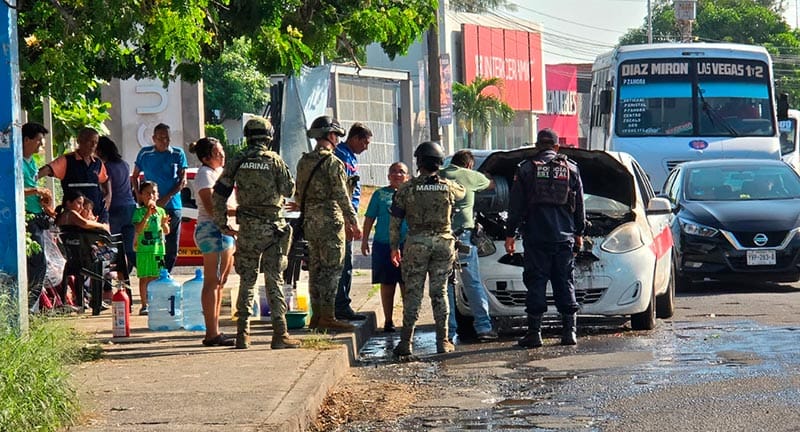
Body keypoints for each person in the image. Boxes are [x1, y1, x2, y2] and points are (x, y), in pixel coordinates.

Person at [213, 117, 301, 349]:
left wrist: (222, 223)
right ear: (269, 137)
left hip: (248, 228)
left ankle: (243, 334)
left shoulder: (237, 160)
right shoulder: (274, 160)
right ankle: (280, 333)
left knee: (247, 280)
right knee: (274, 279)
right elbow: (289, 189)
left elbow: (219, 193)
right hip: (273, 227)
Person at [504, 128, 586, 348]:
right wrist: (579, 233)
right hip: (564, 238)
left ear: (537, 146)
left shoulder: (526, 169)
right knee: (565, 281)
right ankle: (569, 333)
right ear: (557, 147)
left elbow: (516, 206)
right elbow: (579, 206)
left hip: (536, 237)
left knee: (536, 282)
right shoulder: (571, 169)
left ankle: (535, 333)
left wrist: (510, 234)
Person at [389, 141, 465, 357]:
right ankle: (443, 341)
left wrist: (394, 247)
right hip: (443, 243)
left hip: (416, 244)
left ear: (419, 162)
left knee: (413, 293)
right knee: (439, 292)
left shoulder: (406, 188)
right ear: (440, 162)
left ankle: (406, 342)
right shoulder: (449, 187)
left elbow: (395, 222)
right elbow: (463, 192)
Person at [296, 115, 362, 332]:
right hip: (330, 221)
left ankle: (316, 317)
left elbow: (298, 195)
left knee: (315, 269)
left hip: (310, 221)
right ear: (331, 136)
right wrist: (353, 221)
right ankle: (328, 316)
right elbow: (342, 195)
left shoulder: (304, 161)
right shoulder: (333, 162)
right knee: (333, 269)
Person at [439, 149, 498, 342]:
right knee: (472, 282)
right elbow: (492, 185)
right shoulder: (471, 176)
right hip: (462, 237)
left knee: (445, 284)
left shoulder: (440, 174)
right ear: (469, 164)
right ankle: (483, 328)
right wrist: (487, 176)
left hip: (440, 235)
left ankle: (448, 332)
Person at [190, 137, 237, 346]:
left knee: (221, 281)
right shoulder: (204, 175)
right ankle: (211, 332)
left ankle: (215, 330)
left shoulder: (217, 173)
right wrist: (242, 211)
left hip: (224, 230)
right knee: (212, 281)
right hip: (212, 230)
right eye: (218, 153)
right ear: (206, 157)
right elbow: (212, 208)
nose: (223, 155)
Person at [131, 123, 188, 272]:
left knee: (171, 247)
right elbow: (135, 176)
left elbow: (183, 181)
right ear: (153, 138)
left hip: (173, 206)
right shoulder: (145, 153)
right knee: (151, 242)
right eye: (160, 138)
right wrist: (138, 194)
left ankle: (166, 275)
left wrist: (166, 197)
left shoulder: (177, 153)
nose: (164, 141)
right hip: (150, 207)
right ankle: (150, 273)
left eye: (167, 138)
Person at [361, 162, 409, 332]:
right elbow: (369, 218)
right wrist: (365, 240)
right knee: (387, 284)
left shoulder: (412, 194)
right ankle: (388, 320)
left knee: (407, 284)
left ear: (407, 176)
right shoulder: (380, 195)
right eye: (394, 172)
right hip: (383, 245)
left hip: (407, 246)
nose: (397, 175)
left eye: (401, 172)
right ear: (388, 176)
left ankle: (408, 320)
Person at [333, 122, 372, 321]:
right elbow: (343, 193)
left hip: (346, 215)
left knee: (345, 263)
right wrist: (350, 222)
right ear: (355, 138)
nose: (366, 147)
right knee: (344, 264)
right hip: (342, 218)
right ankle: (340, 306)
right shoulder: (340, 155)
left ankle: (341, 304)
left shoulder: (349, 156)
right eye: (365, 142)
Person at [38, 127, 111, 223]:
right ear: (79, 141)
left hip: (97, 213)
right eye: (90, 141)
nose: (93, 145)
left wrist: (109, 195)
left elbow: (106, 180)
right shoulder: (67, 160)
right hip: (75, 216)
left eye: (96, 142)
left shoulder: (98, 163)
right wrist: (28, 181)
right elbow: (46, 170)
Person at [22, 122, 54, 306]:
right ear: (26, 139)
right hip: (26, 217)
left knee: (39, 263)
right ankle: (29, 307)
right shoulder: (15, 161)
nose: (41, 146)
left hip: (37, 214)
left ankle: (31, 305)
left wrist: (43, 200)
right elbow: (15, 189)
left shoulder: (32, 162)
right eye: (39, 141)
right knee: (38, 262)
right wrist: (36, 191)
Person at [96, 136, 137, 275]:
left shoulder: (105, 167)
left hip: (114, 208)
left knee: (112, 246)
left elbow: (105, 189)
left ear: (100, 151)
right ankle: (131, 274)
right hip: (130, 207)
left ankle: (114, 277)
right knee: (128, 248)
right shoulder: (124, 164)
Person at [132, 181, 171, 316]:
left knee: (156, 277)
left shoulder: (161, 211)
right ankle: (144, 304)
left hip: (158, 250)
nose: (151, 196)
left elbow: (166, 231)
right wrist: (147, 214)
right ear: (141, 196)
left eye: (153, 192)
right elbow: (138, 228)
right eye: (147, 193)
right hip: (144, 250)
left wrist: (165, 224)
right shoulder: (139, 212)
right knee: (144, 277)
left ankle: (154, 303)